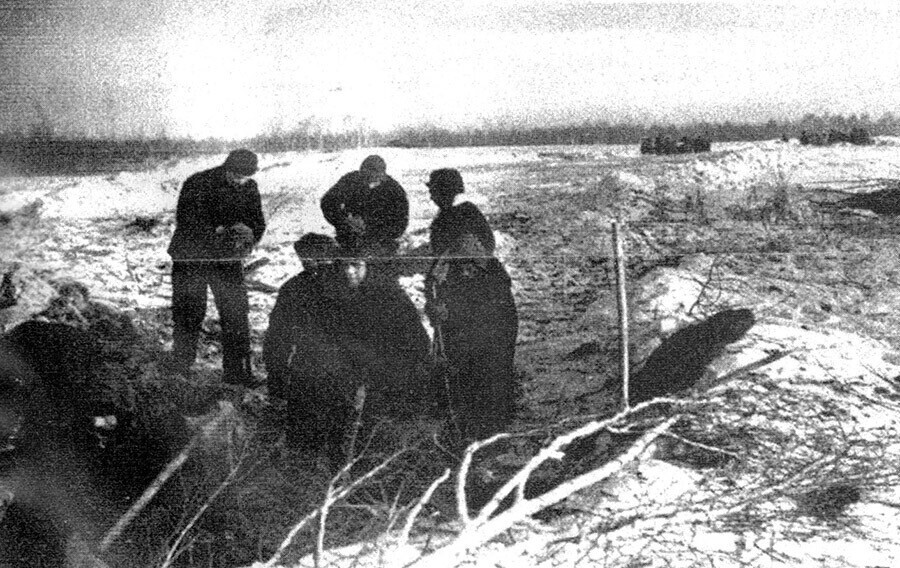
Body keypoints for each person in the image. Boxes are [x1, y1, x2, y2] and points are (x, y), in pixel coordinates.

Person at [263, 233, 432, 467]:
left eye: (356, 265)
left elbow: (416, 341)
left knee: (367, 447)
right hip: (323, 379)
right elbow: (279, 339)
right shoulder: (304, 289)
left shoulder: (386, 293)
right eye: (342, 265)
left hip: (377, 382)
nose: (348, 272)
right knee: (305, 445)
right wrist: (278, 380)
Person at [423, 168, 519, 443]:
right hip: (464, 314)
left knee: (484, 372)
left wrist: (448, 307)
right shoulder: (452, 218)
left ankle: (488, 432)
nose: (430, 194)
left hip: (485, 322)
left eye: (434, 189)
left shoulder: (462, 220)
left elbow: (465, 265)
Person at [164, 149, 266, 386]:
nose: (241, 182)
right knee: (189, 312)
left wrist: (251, 234)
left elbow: (257, 221)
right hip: (192, 257)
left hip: (226, 259)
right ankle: (181, 365)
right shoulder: (199, 182)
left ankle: (237, 372)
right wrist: (219, 232)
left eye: (245, 178)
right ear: (227, 168)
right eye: (237, 176)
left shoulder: (250, 187)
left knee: (236, 313)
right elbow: (187, 220)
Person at [320, 155, 409, 259]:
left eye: (372, 178)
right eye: (364, 177)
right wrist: (345, 220)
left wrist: (369, 229)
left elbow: (400, 224)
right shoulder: (351, 180)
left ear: (382, 175)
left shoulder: (395, 191)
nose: (367, 182)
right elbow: (328, 202)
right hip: (349, 237)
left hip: (380, 244)